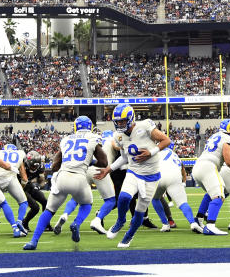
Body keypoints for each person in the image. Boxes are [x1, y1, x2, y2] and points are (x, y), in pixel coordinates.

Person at [23, 116, 107, 250]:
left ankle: (33, 242)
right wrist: (90, 161)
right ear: (90, 127)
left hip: (62, 177)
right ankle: (76, 223)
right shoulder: (93, 138)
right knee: (86, 204)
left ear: (75, 127)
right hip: (79, 178)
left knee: (49, 211)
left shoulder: (66, 139)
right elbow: (104, 163)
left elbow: (55, 166)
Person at [96, 104, 171, 248]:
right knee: (124, 197)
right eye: (118, 121)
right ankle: (120, 221)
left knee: (139, 213)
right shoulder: (118, 136)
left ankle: (128, 236)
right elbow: (124, 158)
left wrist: (151, 152)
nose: (120, 124)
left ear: (131, 118)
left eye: (123, 121)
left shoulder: (144, 126)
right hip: (134, 171)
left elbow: (166, 141)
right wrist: (108, 169)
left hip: (151, 176)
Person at [191, 119, 230, 236]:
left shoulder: (215, 135)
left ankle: (198, 220)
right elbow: (229, 161)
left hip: (198, 166)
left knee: (211, 195)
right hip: (209, 166)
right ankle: (210, 226)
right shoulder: (228, 139)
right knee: (219, 195)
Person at [55, 129, 117, 236]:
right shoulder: (109, 140)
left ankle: (65, 214)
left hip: (85, 169)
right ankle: (97, 220)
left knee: (75, 198)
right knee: (110, 200)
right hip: (100, 169)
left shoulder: (88, 139)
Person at [151, 146, 204, 233]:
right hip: (174, 176)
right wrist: (183, 181)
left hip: (158, 176)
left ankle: (165, 224)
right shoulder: (175, 155)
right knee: (183, 203)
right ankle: (193, 223)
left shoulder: (156, 151)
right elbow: (182, 169)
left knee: (155, 198)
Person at [0, 143, 29, 236]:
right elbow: (24, 178)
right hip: (11, 178)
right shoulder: (19, 154)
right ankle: (19, 221)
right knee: (23, 202)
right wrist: (22, 187)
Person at [22, 151, 51, 232]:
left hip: (29, 184)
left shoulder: (40, 166)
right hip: (20, 187)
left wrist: (37, 185)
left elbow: (42, 180)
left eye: (36, 166)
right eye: (32, 166)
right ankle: (24, 222)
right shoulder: (21, 165)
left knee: (45, 202)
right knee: (35, 207)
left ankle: (46, 224)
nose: (34, 168)